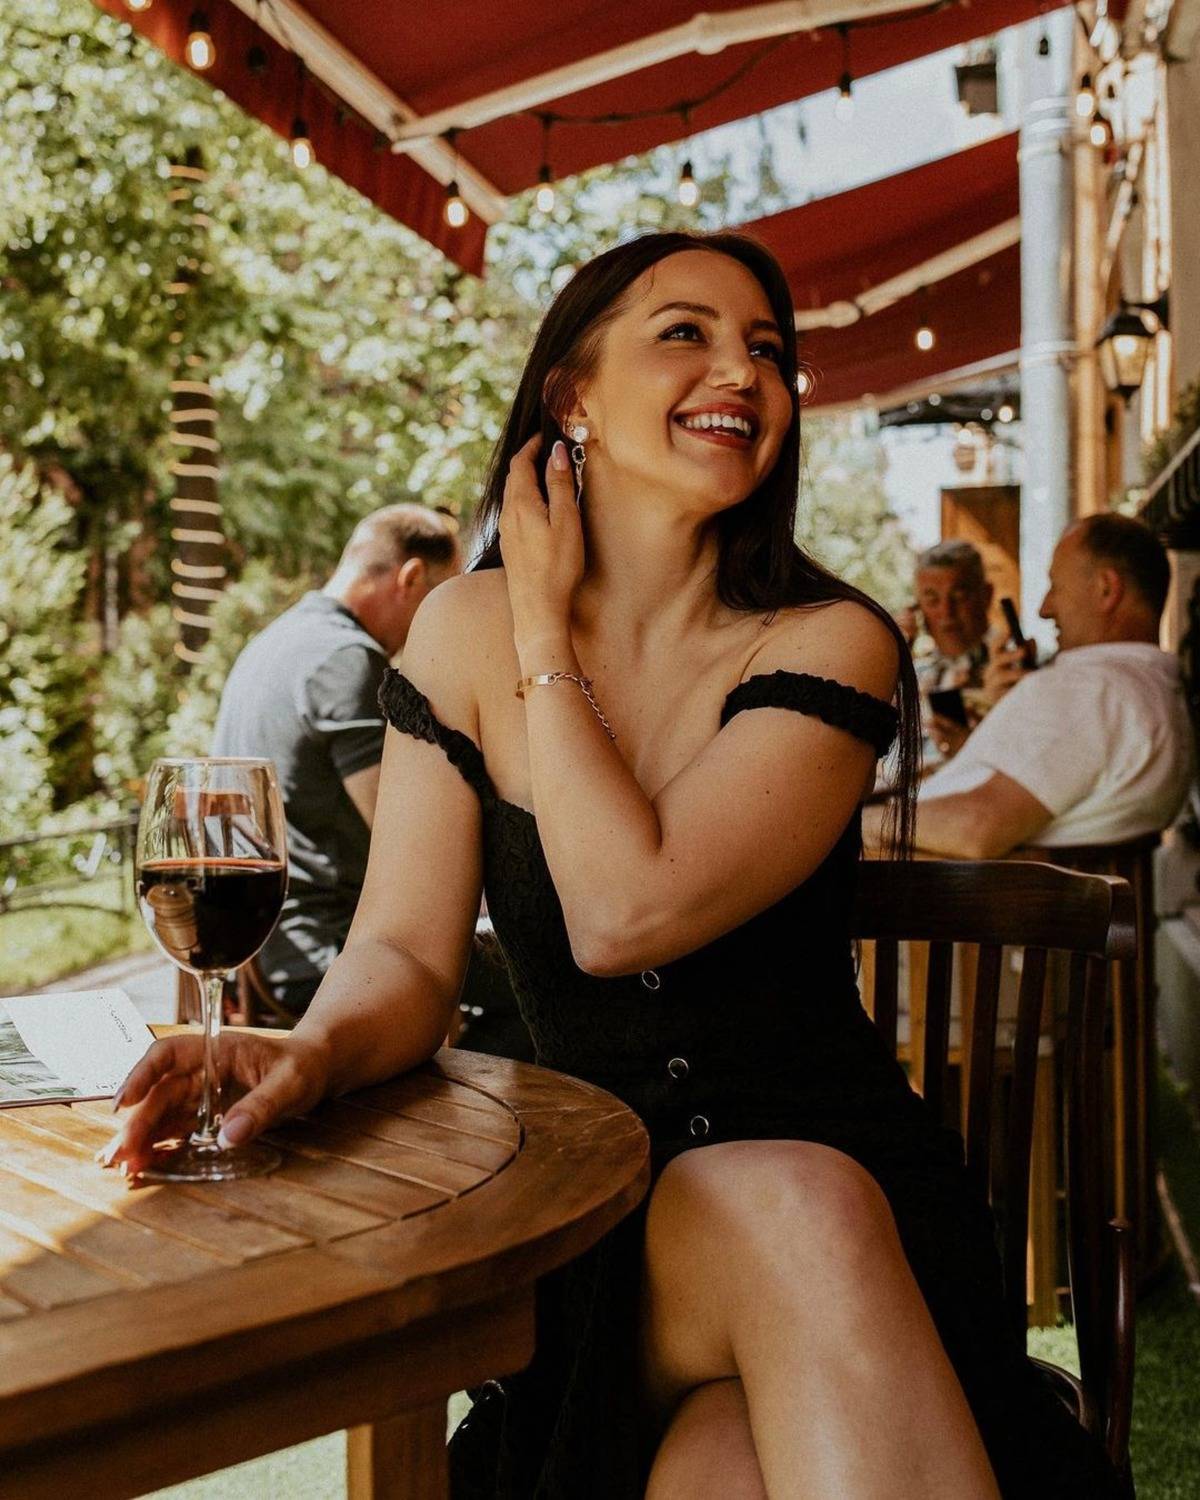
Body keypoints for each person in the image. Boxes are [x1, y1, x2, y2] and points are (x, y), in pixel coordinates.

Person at [108, 232, 1120, 1498]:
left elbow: (624, 914)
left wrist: (543, 627)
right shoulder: (457, 630)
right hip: (601, 1228)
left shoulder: (830, 639)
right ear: (571, 397)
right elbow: (407, 952)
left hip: (860, 1209)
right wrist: (309, 1054)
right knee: (782, 1231)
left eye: (768, 350)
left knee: (726, 1461)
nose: (742, 371)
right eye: (686, 332)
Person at [211, 504, 460, 1017]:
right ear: (411, 578)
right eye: (440, 599)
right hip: (326, 955)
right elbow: (406, 835)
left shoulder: (272, 642)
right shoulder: (348, 659)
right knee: (528, 987)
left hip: (253, 949)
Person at [875, 512, 1192, 860]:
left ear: (1106, 589)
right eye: (931, 599)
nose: (1044, 609)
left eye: (1056, 586)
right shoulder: (1151, 689)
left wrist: (852, 824)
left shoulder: (1090, 689)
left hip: (919, 875)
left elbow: (978, 828)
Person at [902, 540, 1025, 764]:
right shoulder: (910, 677)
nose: (946, 612)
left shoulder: (1018, 670)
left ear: (986, 596)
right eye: (932, 600)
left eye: (959, 597)